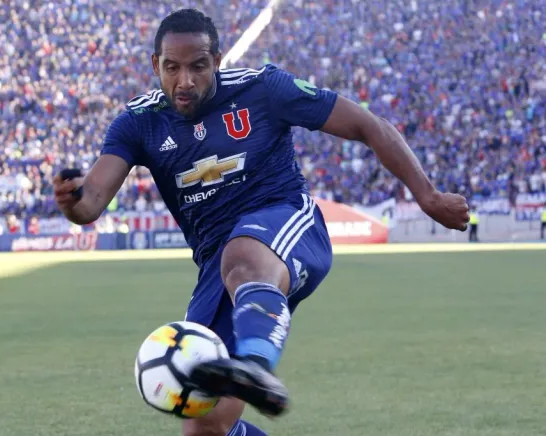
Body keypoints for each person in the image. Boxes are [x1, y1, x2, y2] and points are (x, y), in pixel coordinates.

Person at [53, 9, 470, 436]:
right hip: (218, 266)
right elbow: (92, 202)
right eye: (172, 67)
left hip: (287, 222)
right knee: (206, 428)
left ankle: (254, 368)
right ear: (154, 65)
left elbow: (367, 125)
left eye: (198, 66)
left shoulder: (263, 89)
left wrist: (428, 196)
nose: (185, 81)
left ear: (216, 60)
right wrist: (73, 201)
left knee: (243, 257)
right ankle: (248, 373)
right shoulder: (138, 122)